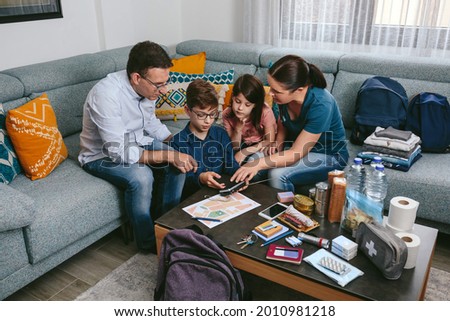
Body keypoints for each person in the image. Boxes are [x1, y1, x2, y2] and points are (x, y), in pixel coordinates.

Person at [78, 41, 197, 252]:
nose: (164, 90)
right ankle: (148, 244)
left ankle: (165, 230)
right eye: (159, 85)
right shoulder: (106, 95)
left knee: (179, 159)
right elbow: (119, 151)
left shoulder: (148, 89)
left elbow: (150, 122)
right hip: (100, 156)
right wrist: (169, 156)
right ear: (136, 78)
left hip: (137, 141)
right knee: (142, 176)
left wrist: (176, 145)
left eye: (165, 83)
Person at [231, 55, 349, 192]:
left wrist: (259, 164)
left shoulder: (321, 104)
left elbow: (296, 153)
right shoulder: (283, 98)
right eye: (271, 88)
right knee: (252, 161)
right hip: (294, 146)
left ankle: (286, 211)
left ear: (299, 89)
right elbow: (283, 120)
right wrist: (278, 143)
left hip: (329, 154)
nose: (271, 94)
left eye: (276, 91)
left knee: (276, 175)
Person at [170, 79, 241, 200]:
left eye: (212, 114)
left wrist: (240, 176)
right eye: (201, 115)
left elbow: (231, 165)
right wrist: (201, 177)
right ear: (187, 110)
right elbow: (181, 182)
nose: (208, 121)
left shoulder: (221, 134)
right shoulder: (177, 143)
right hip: (191, 200)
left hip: (221, 197)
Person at [222, 74, 277, 164]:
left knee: (251, 162)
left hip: (261, 144)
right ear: (232, 97)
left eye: (247, 105)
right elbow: (235, 146)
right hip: (240, 143)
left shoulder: (265, 111)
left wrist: (244, 152)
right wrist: (237, 129)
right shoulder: (226, 114)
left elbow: (270, 140)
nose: (240, 108)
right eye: (237, 101)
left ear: (255, 105)